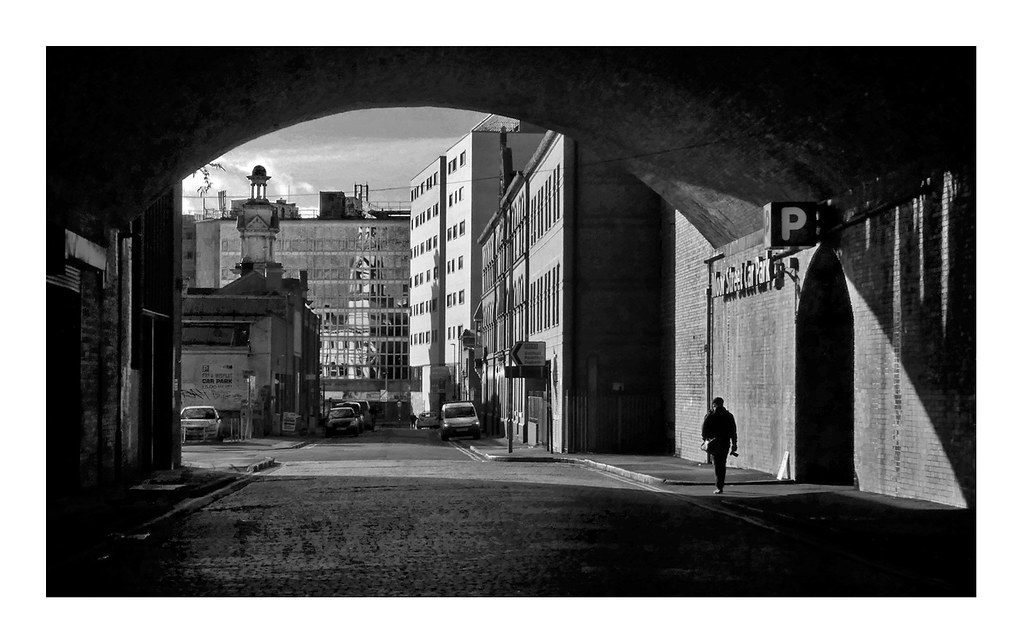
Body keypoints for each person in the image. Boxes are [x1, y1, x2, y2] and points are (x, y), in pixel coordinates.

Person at [701, 397, 738, 494]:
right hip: (725, 443)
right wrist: (734, 444)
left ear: (714, 404)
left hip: (714, 442)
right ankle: (720, 485)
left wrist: (705, 439)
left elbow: (704, 429)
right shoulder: (729, 416)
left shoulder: (711, 415)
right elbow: (733, 431)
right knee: (722, 464)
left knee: (717, 464)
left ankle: (719, 487)